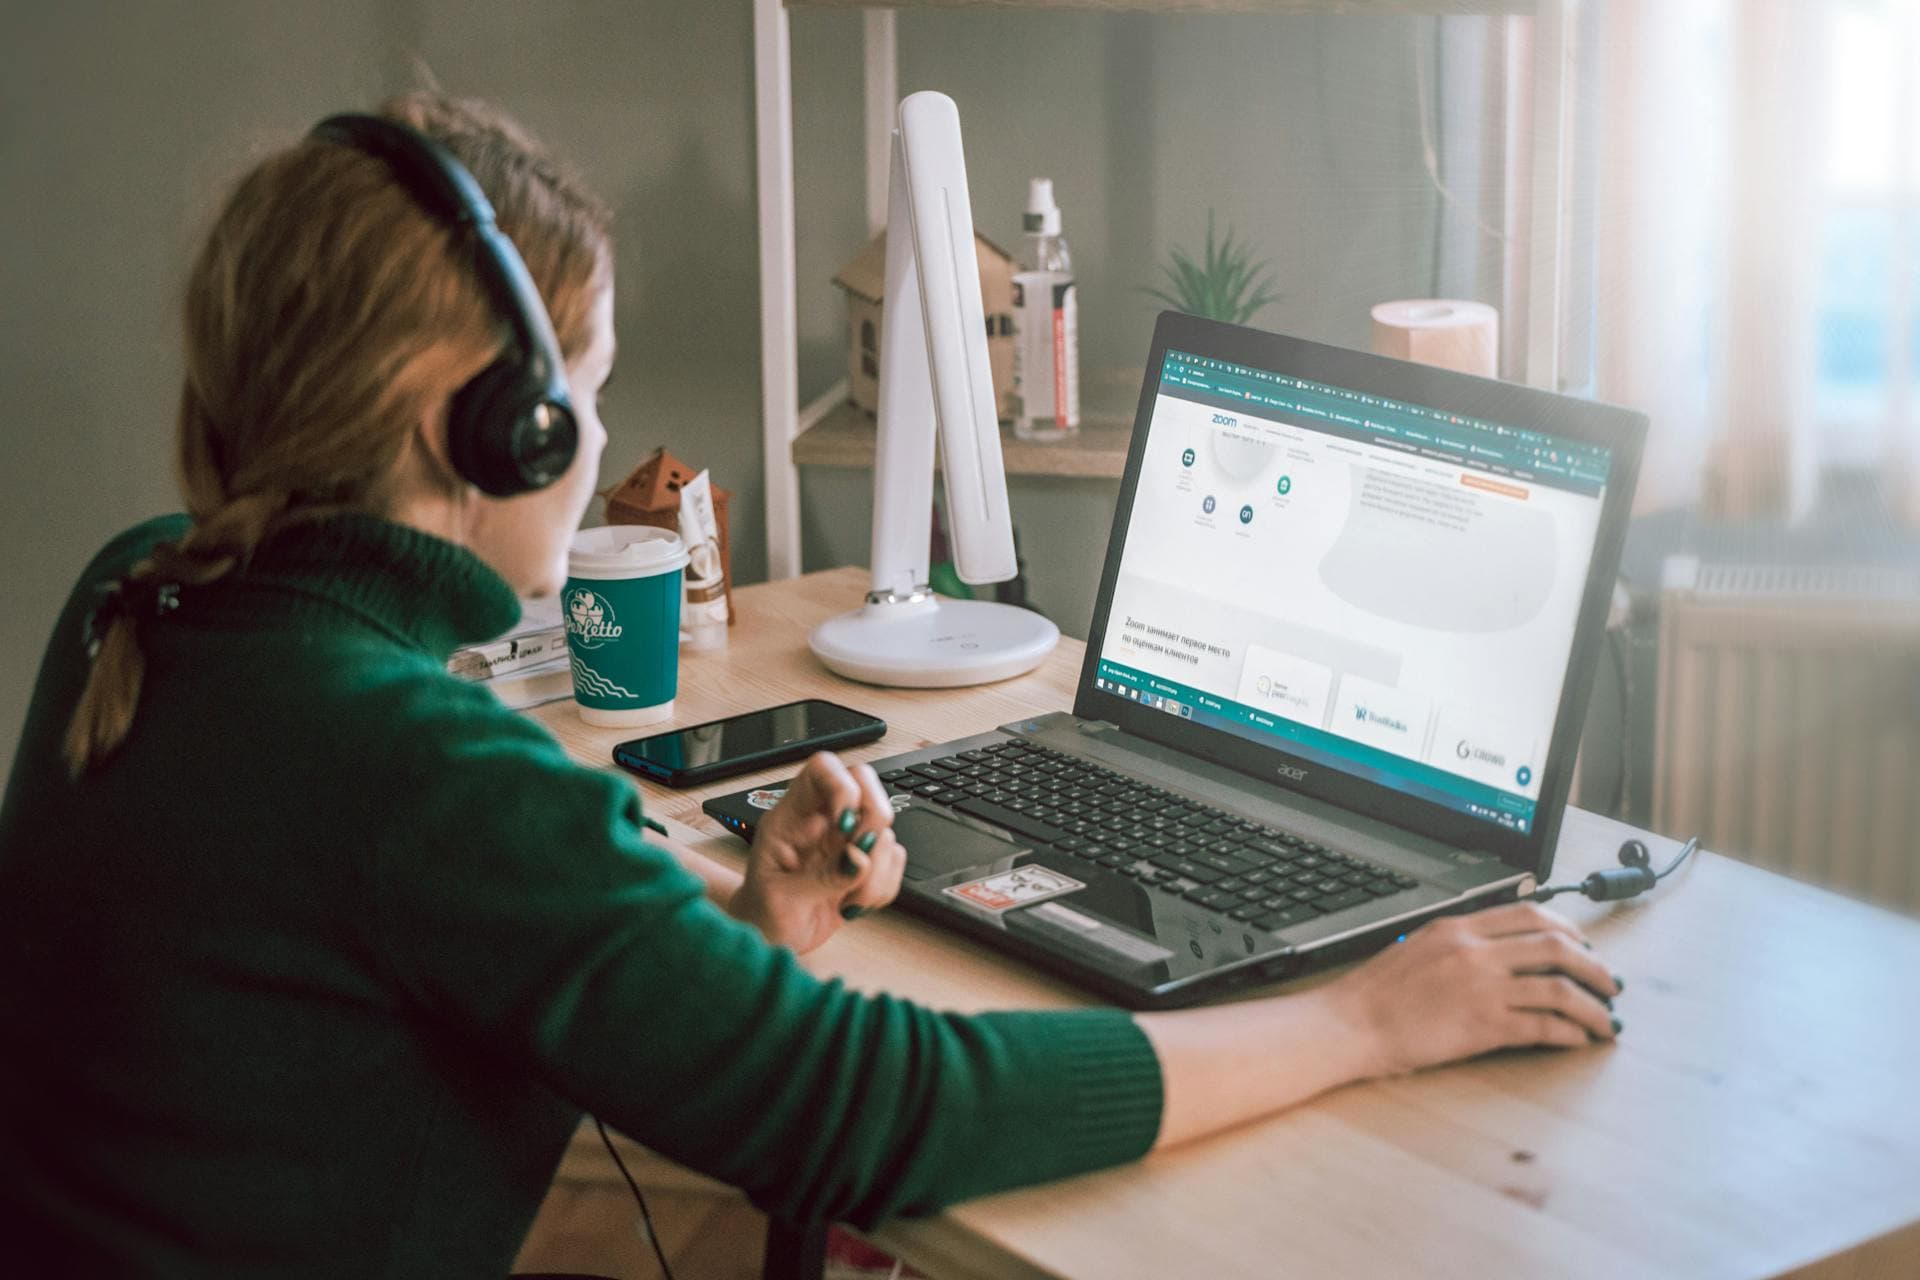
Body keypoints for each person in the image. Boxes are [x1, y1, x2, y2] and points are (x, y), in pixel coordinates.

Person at [0, 93, 1623, 1276]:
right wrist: (1365, 1014)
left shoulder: (148, 589)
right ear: (497, 432)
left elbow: (368, 994)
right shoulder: (411, 767)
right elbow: (872, 1112)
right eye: (593, 392)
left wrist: (725, 940)